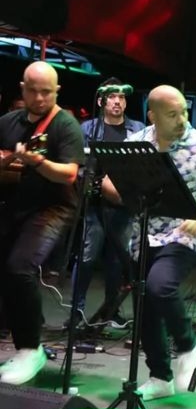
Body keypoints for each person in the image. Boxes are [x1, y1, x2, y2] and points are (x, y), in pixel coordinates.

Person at [102, 85, 196, 400]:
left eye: (184, 112)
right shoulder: (137, 143)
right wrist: (126, 191)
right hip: (144, 234)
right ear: (153, 116)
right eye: (172, 114)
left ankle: (189, 344)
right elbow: (110, 182)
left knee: (160, 285)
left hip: (185, 234)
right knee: (146, 308)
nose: (181, 120)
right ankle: (160, 377)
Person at [0, 61, 84, 384]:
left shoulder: (65, 125)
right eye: (32, 91)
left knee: (20, 267)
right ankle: (21, 344)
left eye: (46, 92)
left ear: (57, 91)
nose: (39, 98)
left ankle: (30, 349)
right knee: (7, 272)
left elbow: (69, 174)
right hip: (14, 206)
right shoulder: (8, 122)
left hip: (53, 208)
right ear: (22, 89)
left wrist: (39, 163)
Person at [69, 77, 144, 328]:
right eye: (112, 96)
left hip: (124, 205)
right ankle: (76, 312)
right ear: (101, 101)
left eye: (121, 97)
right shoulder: (88, 128)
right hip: (95, 204)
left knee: (117, 261)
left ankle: (111, 310)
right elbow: (77, 163)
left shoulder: (137, 128)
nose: (117, 101)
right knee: (87, 257)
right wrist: (91, 182)